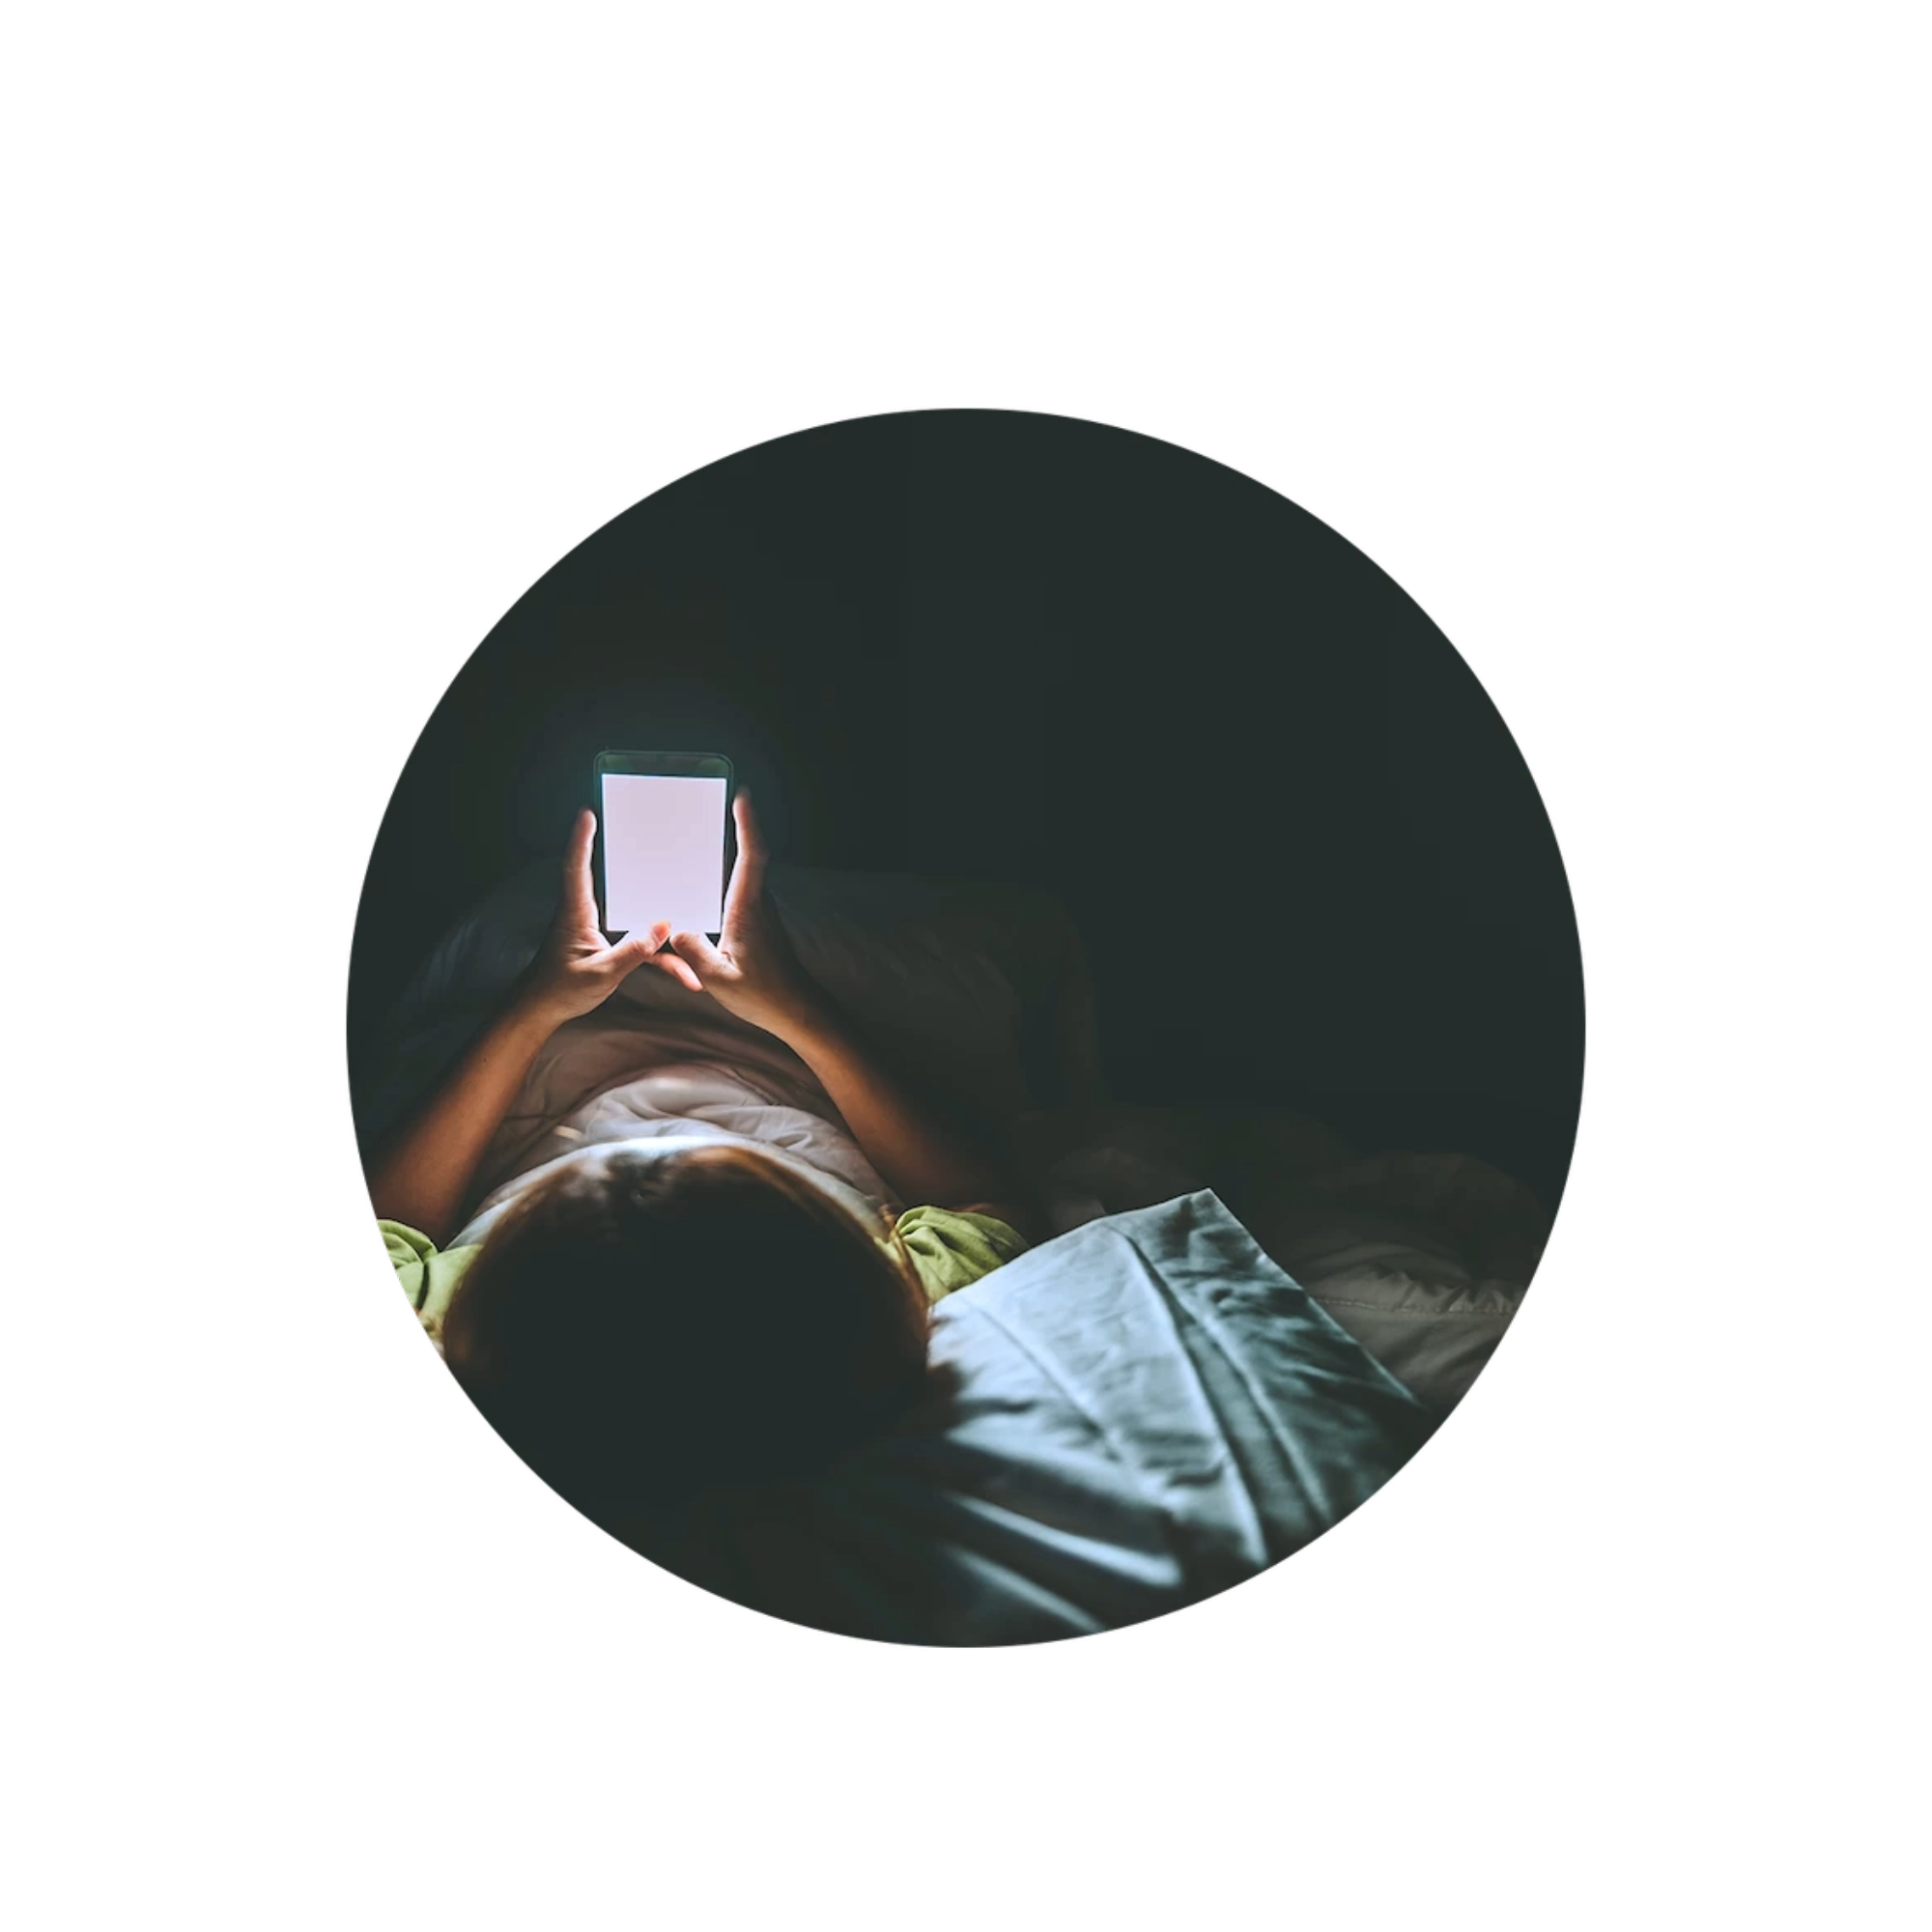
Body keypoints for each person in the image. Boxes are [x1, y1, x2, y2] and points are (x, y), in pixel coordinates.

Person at [365, 789, 1048, 1526]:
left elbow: (392, 1219)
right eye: (714, 1180)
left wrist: (533, 1003)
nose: (653, 1159)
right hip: (779, 1049)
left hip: (535, 1061)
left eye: (595, 1193)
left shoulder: (476, 1322)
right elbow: (989, 1203)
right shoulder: (851, 1305)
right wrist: (795, 1004)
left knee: (515, 914)